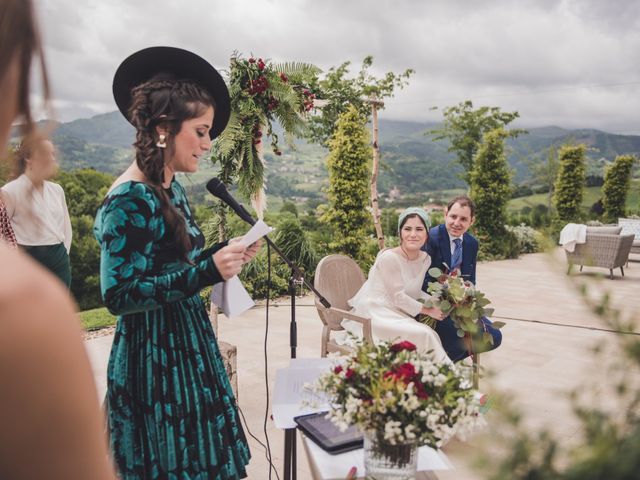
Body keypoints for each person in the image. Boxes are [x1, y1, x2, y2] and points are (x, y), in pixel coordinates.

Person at [94, 46, 260, 479]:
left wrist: (222, 255)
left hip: (187, 343)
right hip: (153, 360)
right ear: (165, 129)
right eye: (201, 131)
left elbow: (173, 266)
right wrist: (206, 272)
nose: (207, 145)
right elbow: (119, 294)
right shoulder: (129, 198)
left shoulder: (171, 187)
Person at [0, 1, 116, 479]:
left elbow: (66, 225)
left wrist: (63, 252)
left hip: (56, 256)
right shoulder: (7, 194)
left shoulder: (60, 191)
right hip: (26, 259)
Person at [339, 207, 451, 364]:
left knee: (428, 333)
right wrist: (429, 311)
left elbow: (415, 292)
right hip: (377, 313)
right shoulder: (389, 258)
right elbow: (398, 297)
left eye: (419, 229)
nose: (413, 234)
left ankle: (426, 380)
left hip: (399, 313)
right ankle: (445, 381)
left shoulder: (425, 259)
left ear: (426, 234)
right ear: (400, 233)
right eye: (407, 229)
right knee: (426, 333)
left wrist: (438, 300)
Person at [422, 195, 502, 362]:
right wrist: (444, 298)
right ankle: (442, 369)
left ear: (471, 221)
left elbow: (470, 278)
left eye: (463, 219)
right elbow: (423, 281)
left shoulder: (471, 243)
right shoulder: (432, 238)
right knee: (457, 339)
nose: (457, 223)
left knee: (494, 335)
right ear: (446, 214)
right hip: (434, 303)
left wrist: (466, 296)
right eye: (453, 216)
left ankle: (445, 363)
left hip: (460, 303)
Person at [2, 136, 72, 287]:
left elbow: (66, 229)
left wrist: (64, 254)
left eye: (53, 154)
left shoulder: (57, 190)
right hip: (28, 262)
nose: (53, 159)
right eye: (47, 154)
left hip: (59, 261)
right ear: (28, 158)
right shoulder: (9, 191)